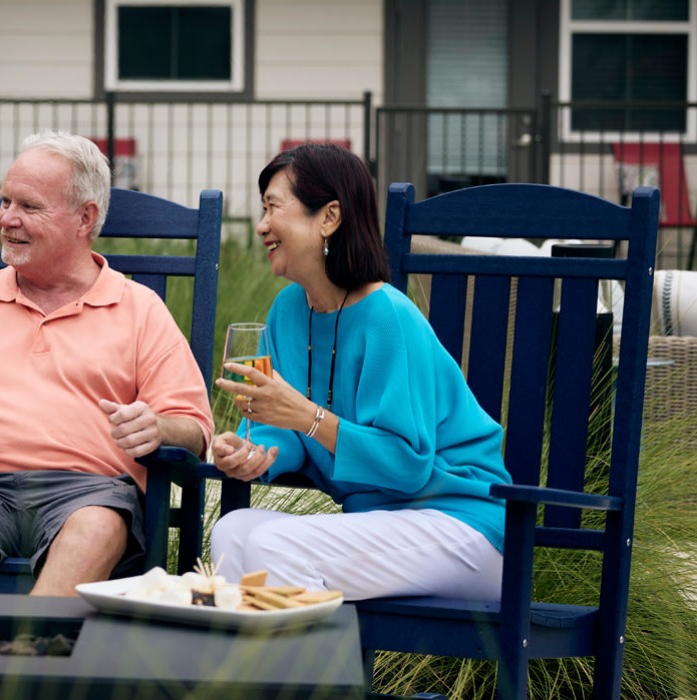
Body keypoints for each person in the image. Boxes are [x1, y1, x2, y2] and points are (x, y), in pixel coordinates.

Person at [0, 130, 214, 597]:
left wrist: (159, 428)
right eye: (5, 201)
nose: (6, 219)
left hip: (91, 495)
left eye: (29, 207)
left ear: (84, 219)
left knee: (96, 526)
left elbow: (194, 428)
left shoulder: (140, 309)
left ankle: (26, 662)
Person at [210, 143, 510, 601]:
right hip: (375, 522)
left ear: (329, 217)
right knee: (231, 532)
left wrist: (307, 415)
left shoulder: (388, 316)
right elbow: (283, 432)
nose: (261, 225)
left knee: (273, 544)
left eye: (274, 207)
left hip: (459, 524)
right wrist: (254, 452)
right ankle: (264, 671)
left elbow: (408, 466)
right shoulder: (286, 312)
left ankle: (316, 671)